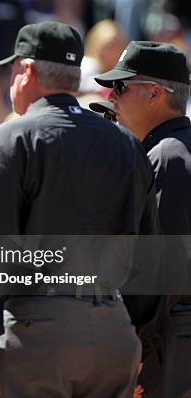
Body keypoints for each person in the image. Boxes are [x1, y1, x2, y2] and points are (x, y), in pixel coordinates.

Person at [0, 21, 159, 398]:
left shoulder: (14, 137)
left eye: (13, 69)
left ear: (26, 71)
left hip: (38, 331)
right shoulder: (125, 144)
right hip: (112, 328)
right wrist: (139, 334)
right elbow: (151, 257)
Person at [95, 40, 191, 398]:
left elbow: (160, 270)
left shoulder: (167, 154)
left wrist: (135, 346)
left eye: (121, 86)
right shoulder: (175, 148)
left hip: (172, 341)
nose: (111, 96)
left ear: (154, 94)